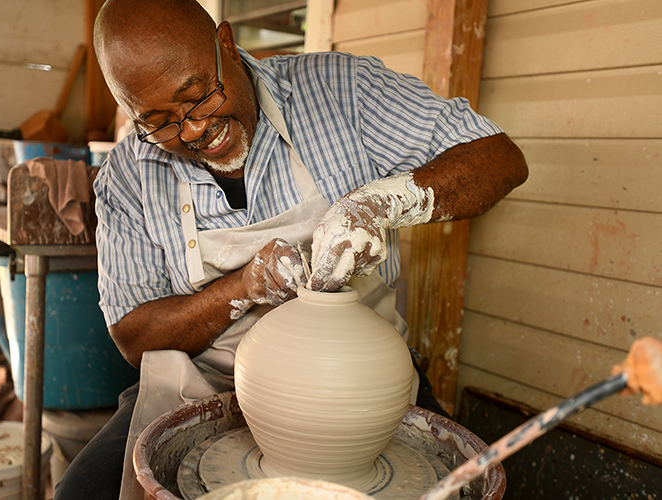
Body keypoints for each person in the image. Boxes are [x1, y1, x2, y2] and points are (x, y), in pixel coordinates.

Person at [54, 0, 528, 499]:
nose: (192, 130)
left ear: (227, 46)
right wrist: (241, 288)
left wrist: (382, 203)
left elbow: (499, 159)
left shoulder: (340, 92)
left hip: (363, 388)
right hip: (200, 381)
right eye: (158, 121)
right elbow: (134, 336)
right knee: (80, 493)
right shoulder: (127, 175)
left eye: (198, 98)